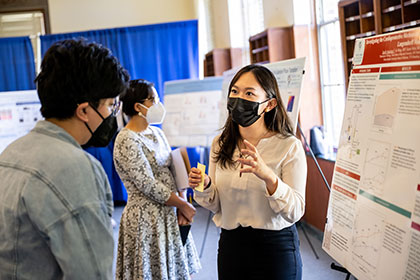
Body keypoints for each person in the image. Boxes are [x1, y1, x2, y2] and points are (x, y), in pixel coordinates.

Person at [0, 39, 130, 279]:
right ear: (83, 111)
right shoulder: (76, 168)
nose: (113, 114)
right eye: (111, 105)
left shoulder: (11, 153)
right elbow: (92, 273)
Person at [189, 64, 307, 280]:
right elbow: (216, 205)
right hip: (231, 247)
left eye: (249, 93)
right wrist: (205, 186)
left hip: (275, 249)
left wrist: (268, 176)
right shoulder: (220, 143)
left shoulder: (289, 146)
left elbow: (296, 211)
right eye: (234, 91)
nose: (239, 98)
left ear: (269, 104)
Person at [113, 79, 201, 280]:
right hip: (146, 219)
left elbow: (174, 166)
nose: (158, 105)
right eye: (153, 100)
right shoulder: (126, 139)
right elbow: (147, 184)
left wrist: (182, 201)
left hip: (169, 213)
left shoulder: (157, 132)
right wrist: (182, 204)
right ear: (138, 107)